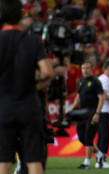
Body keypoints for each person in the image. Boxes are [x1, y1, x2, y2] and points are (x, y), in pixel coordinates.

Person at [0, 0, 54, 174]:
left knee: (4, 161)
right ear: (20, 15)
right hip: (29, 107)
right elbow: (47, 72)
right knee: (33, 159)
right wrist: (34, 85)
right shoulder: (32, 40)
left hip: (4, 107)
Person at [70, 61, 105, 169]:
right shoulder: (81, 81)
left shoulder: (96, 81)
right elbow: (79, 96)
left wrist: (97, 113)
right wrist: (72, 108)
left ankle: (87, 163)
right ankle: (99, 154)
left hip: (92, 112)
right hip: (82, 113)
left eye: (87, 68)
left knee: (88, 137)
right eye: (83, 68)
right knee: (82, 138)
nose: (85, 70)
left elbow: (102, 97)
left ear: (92, 69)